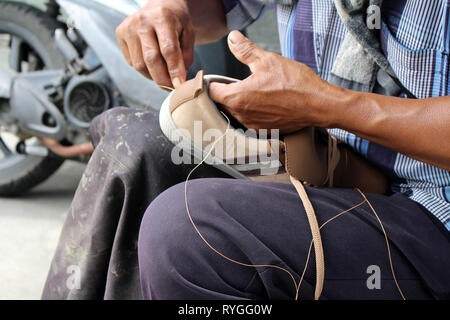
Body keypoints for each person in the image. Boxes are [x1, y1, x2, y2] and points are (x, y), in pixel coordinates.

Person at [43, 0, 450, 300]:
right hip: (336, 164)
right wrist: (176, 10)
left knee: (186, 230)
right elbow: (222, 6)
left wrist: (325, 105)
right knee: (132, 145)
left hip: (433, 213)